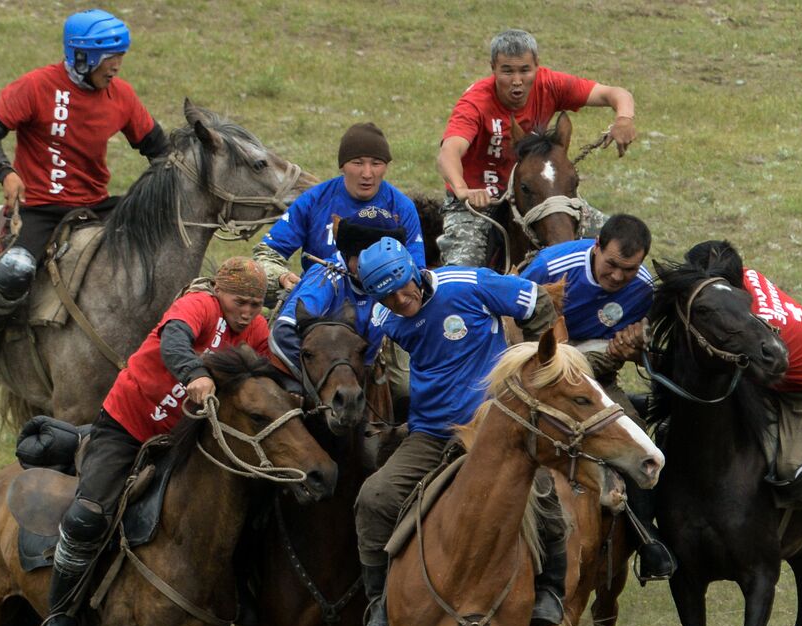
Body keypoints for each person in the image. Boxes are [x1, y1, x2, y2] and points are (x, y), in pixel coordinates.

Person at [34, 258, 271, 626]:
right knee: (88, 517)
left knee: (244, 506)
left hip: (184, 441)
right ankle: (60, 614)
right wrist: (194, 373)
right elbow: (174, 341)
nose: (247, 310)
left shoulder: (256, 330)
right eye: (240, 300)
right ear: (220, 291)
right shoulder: (198, 305)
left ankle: (239, 588)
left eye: (255, 303)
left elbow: (270, 375)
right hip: (127, 426)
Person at [352, 238, 566, 626]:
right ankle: (379, 602)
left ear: (415, 272)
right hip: (431, 431)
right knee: (374, 498)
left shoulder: (468, 284)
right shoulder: (382, 317)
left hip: (493, 426)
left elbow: (537, 302)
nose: (400, 301)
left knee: (539, 491)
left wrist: (539, 366)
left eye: (404, 288)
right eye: (388, 296)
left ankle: (550, 589)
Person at [0, 9, 173, 395]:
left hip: (95, 203)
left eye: (119, 58)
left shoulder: (121, 96)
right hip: (41, 208)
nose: (116, 69)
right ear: (83, 57)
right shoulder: (36, 86)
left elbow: (159, 150)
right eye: (110, 60)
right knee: (13, 271)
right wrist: (5, 172)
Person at [520, 214, 675, 580]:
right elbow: (510, 316)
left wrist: (633, 346)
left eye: (629, 268)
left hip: (596, 377)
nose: (619, 277)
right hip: (539, 369)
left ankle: (644, 536)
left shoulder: (644, 290)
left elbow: (644, 348)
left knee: (637, 438)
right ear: (596, 248)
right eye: (612, 265)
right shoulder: (552, 266)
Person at [685, 240, 802, 549]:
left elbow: (754, 371)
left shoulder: (761, 324)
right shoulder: (743, 283)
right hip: (780, 375)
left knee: (793, 472)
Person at [436, 28, 637, 268]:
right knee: (462, 273)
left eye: (525, 70)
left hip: (538, 192)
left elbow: (614, 93)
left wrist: (624, 119)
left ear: (537, 66)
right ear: (493, 69)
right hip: (478, 199)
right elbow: (449, 152)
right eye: (507, 71)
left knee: (622, 241)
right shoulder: (475, 103)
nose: (517, 81)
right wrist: (462, 190)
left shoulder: (550, 84)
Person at [254, 123, 425, 303]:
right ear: (342, 165)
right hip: (320, 304)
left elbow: (417, 269)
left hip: (383, 305)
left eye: (376, 163)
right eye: (357, 163)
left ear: (386, 167)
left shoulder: (402, 207)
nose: (367, 173)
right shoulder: (313, 201)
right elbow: (266, 255)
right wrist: (282, 277)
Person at [267, 206, 407, 376]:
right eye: (369, 261)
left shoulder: (395, 279)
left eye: (384, 262)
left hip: (363, 373)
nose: (377, 269)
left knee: (405, 390)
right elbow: (284, 332)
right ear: (349, 253)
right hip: (327, 378)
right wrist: (322, 375)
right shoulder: (325, 279)